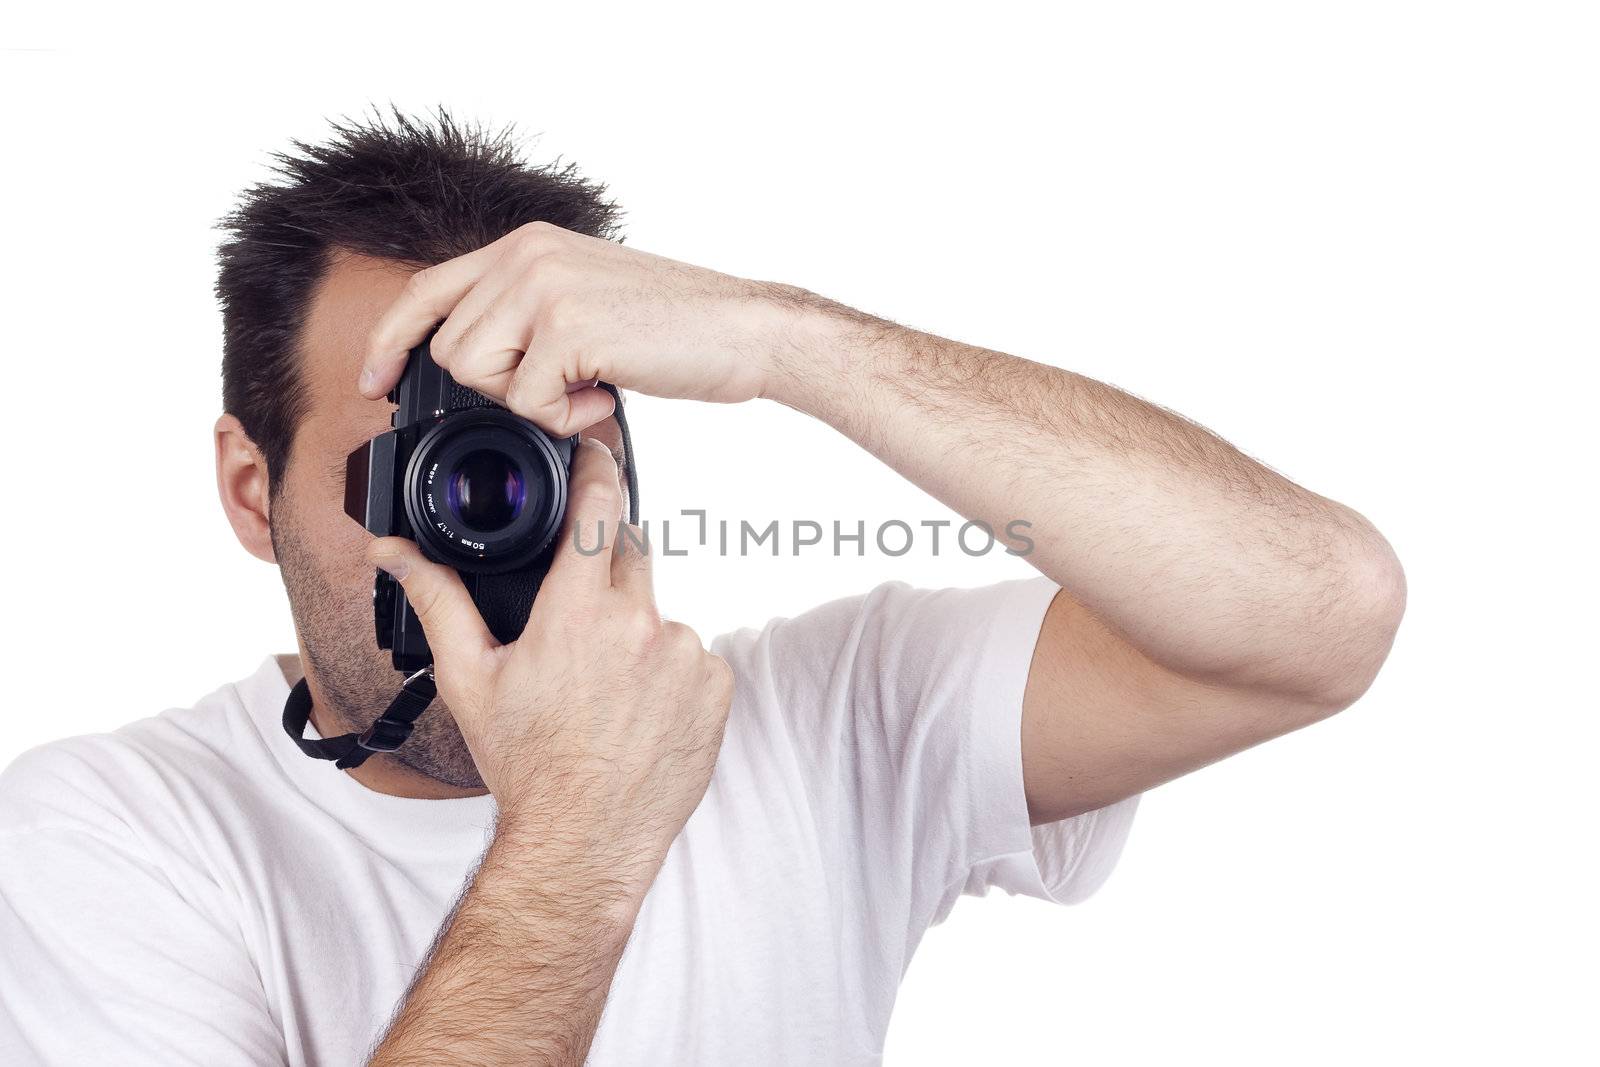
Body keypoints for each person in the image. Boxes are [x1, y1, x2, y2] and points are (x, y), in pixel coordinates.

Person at [0, 110, 1406, 1066]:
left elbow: (1321, 613)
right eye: (411, 469)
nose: (486, 516)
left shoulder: (821, 719)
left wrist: (788, 339)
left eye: (533, 453)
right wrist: (582, 829)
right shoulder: (110, 836)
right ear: (253, 492)